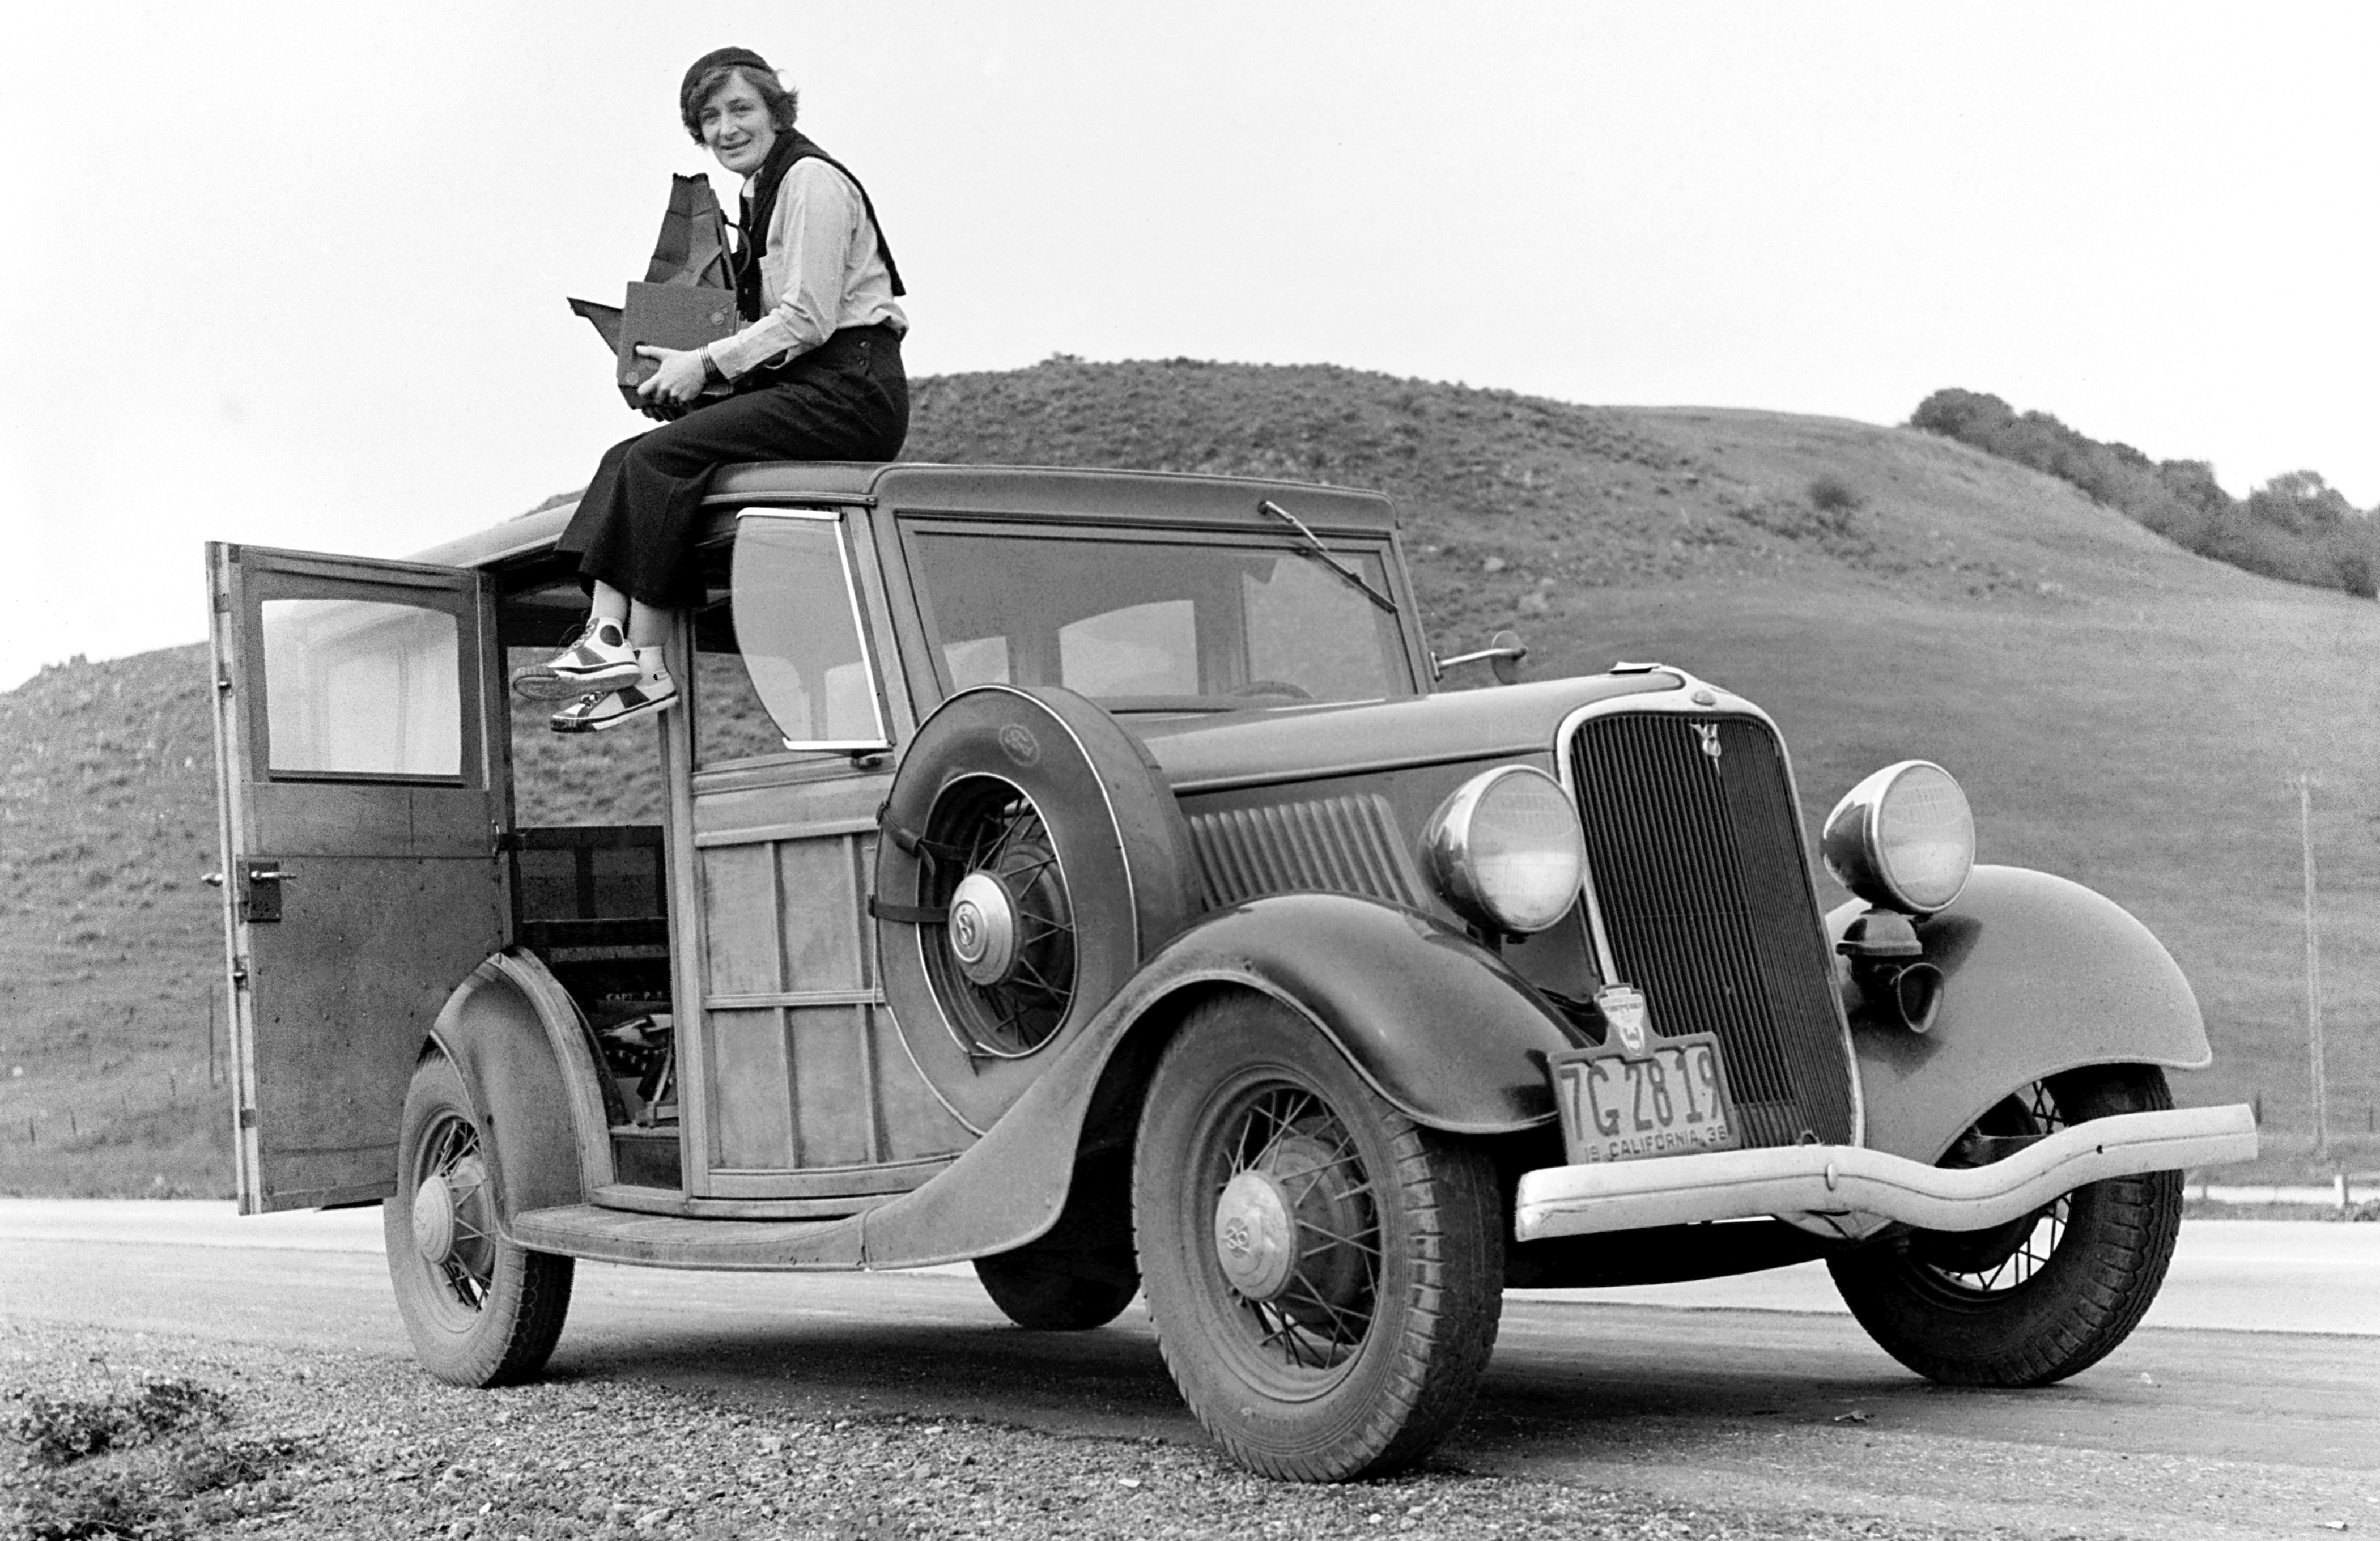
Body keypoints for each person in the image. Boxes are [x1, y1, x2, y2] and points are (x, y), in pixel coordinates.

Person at [517, 45, 910, 732]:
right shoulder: (760, 191)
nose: (726, 128)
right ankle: (617, 646)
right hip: (814, 381)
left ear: (775, 111)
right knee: (628, 457)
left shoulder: (810, 180)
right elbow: (771, 323)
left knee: (657, 459)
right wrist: (675, 361)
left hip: (852, 387)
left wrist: (702, 363)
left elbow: (807, 318)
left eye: (741, 110)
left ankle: (635, 657)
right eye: (710, 117)